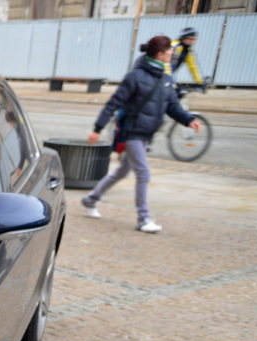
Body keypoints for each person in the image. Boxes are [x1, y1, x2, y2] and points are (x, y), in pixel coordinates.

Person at [81, 35, 200, 234]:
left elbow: (171, 106)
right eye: (169, 50)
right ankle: (143, 219)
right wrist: (97, 129)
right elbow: (114, 103)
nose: (172, 53)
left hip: (146, 134)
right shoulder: (135, 77)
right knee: (143, 173)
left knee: (122, 171)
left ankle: (90, 199)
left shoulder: (166, 78)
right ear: (160, 53)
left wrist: (188, 119)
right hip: (131, 132)